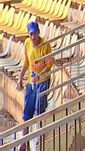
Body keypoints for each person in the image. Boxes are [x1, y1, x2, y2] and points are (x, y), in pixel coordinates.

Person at [16, 21, 53, 150]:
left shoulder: (45, 45)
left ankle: (40, 142)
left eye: (35, 34)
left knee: (40, 109)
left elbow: (49, 65)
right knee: (27, 112)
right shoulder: (27, 43)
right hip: (31, 81)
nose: (33, 37)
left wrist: (40, 75)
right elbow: (26, 61)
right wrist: (20, 77)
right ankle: (23, 142)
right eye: (31, 34)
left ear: (38, 33)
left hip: (43, 80)